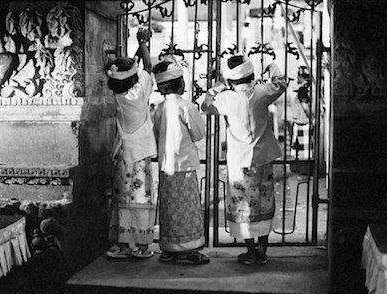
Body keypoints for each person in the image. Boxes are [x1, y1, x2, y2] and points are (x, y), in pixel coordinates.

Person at [201, 54, 287, 265]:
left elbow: (205, 105)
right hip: (262, 158)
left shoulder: (226, 99)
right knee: (265, 201)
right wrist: (271, 65)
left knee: (243, 205)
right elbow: (281, 82)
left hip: (239, 161)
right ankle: (263, 249)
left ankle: (250, 252)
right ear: (252, 74)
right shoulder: (262, 92)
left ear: (230, 79)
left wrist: (218, 86)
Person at [152, 56, 210, 265]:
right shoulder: (186, 106)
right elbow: (199, 133)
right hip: (185, 166)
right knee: (188, 209)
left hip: (166, 167)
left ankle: (169, 248)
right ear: (180, 84)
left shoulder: (159, 109)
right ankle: (191, 249)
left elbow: (156, 134)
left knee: (169, 209)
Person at [105, 28, 157, 259]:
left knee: (123, 199)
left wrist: (139, 47)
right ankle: (143, 245)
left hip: (123, 155)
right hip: (141, 155)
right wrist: (144, 42)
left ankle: (123, 244)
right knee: (141, 198)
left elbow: (139, 68)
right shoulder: (138, 94)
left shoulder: (121, 96)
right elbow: (148, 68)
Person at [290, 66, 314, 175]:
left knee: (304, 151)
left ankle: (304, 172)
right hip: (300, 121)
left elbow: (305, 107)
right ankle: (301, 170)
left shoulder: (302, 90)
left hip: (303, 122)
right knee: (301, 148)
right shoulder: (308, 88)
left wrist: (311, 119)